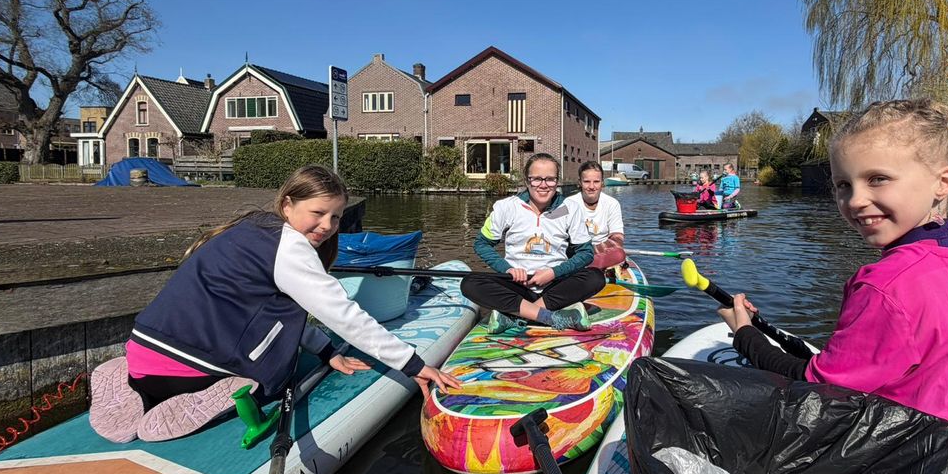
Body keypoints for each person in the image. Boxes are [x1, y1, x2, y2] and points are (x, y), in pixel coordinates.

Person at [88, 165, 459, 443]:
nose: (328, 225)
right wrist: (412, 363)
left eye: (335, 217)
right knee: (268, 380)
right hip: (199, 370)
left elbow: (269, 314)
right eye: (318, 213)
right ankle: (220, 395)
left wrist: (326, 349)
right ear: (287, 205)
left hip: (143, 350)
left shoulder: (250, 227)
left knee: (240, 330)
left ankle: (130, 382)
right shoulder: (290, 248)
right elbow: (341, 313)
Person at [716, 99, 948, 444]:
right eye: (843, 185)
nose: (855, 200)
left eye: (878, 179)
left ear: (943, 182)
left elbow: (819, 389)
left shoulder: (887, 285)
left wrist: (745, 334)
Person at [462, 153, 607, 333]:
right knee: (469, 283)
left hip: (553, 285)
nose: (544, 185)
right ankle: (550, 317)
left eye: (550, 179)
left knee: (595, 277)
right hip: (516, 285)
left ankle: (515, 316)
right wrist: (507, 269)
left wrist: (553, 273)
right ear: (526, 180)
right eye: (536, 179)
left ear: (557, 181)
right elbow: (482, 244)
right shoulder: (506, 207)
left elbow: (586, 253)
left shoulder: (570, 208)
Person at [566, 160, 626, 270]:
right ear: (580, 182)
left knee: (619, 254)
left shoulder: (612, 204)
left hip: (600, 252)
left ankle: (580, 267)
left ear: (602, 182)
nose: (592, 186)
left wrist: (591, 251)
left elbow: (618, 238)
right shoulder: (567, 203)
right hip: (575, 252)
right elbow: (551, 225)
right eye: (587, 182)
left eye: (596, 182)